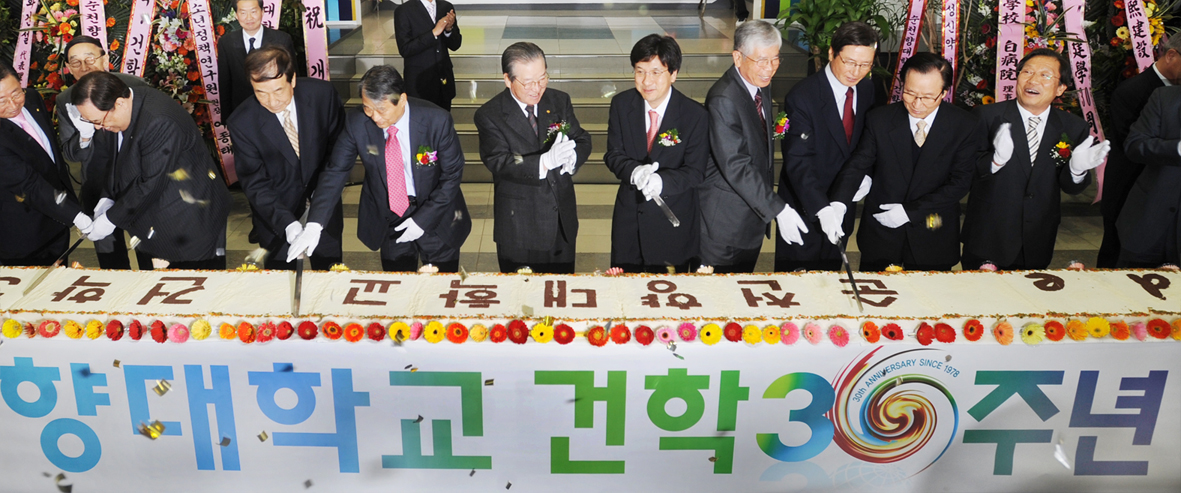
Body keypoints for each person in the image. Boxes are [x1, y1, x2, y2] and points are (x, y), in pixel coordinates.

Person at [288, 65, 471, 272]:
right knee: (397, 286)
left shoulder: (436, 120)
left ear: (402, 100)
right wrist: (315, 224)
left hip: (437, 215)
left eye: (381, 109)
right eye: (368, 108)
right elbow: (335, 172)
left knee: (442, 288)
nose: (374, 117)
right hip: (389, 215)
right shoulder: (357, 122)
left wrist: (422, 220)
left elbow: (452, 175)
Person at [821, 53, 979, 271]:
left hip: (933, 232)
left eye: (927, 97)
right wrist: (839, 202)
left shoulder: (964, 125)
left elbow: (960, 182)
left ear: (943, 93)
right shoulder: (880, 119)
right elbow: (859, 164)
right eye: (910, 93)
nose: (916, 103)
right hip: (882, 235)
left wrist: (909, 212)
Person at [961, 49, 1110, 270]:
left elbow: (1071, 188)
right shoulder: (987, 116)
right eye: (1027, 72)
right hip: (988, 235)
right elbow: (965, 171)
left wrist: (1077, 171)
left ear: (1061, 88)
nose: (1033, 80)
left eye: (1045, 75)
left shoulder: (1072, 127)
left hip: (1038, 236)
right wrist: (995, 161)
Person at [72, 72, 232, 269]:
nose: (98, 128)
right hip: (150, 221)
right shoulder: (120, 109)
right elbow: (117, 160)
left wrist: (110, 219)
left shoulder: (159, 120)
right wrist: (108, 198)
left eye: (98, 121)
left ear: (120, 103)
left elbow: (151, 183)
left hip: (186, 223)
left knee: (189, 290)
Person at [473, 42, 591, 273]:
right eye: (528, 82)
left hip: (561, 222)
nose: (536, 88)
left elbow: (582, 138)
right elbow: (500, 160)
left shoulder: (559, 101)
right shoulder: (490, 115)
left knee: (560, 293)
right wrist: (545, 162)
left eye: (542, 78)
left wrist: (573, 157)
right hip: (520, 227)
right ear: (508, 79)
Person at [699, 20, 807, 273]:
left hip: (752, 218)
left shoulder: (759, 84)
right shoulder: (723, 99)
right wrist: (778, 208)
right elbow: (736, 164)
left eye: (775, 59)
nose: (769, 69)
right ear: (738, 57)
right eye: (761, 60)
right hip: (724, 226)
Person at [227, 46, 345, 270]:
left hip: (324, 210)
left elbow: (336, 158)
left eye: (278, 91)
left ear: (292, 80)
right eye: (261, 92)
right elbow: (255, 182)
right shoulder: (242, 122)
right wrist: (287, 223)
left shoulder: (323, 96)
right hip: (276, 216)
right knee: (282, 284)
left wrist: (317, 218)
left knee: (330, 276)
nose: (272, 101)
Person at [776, 21, 877, 272]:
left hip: (843, 203)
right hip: (805, 206)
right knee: (796, 290)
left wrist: (866, 175)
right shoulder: (803, 97)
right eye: (850, 62)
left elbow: (867, 140)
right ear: (832, 53)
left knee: (831, 280)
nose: (856, 71)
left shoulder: (866, 89)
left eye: (865, 64)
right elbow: (798, 160)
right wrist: (822, 209)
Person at [603, 34, 707, 273]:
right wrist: (634, 170)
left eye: (656, 72)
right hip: (629, 224)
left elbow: (696, 171)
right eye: (640, 71)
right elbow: (613, 155)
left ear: (673, 74)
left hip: (672, 225)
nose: (646, 81)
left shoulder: (694, 115)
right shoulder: (622, 104)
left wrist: (662, 181)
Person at [56, 35, 151, 270]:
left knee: (150, 250)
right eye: (75, 62)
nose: (84, 67)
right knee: (110, 259)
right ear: (68, 67)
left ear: (105, 58)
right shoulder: (66, 100)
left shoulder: (135, 86)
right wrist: (85, 135)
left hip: (137, 180)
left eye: (90, 58)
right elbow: (71, 154)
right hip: (97, 186)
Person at [1097, 36, 1181, 268]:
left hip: (1165, 191)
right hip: (1130, 187)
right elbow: (1132, 146)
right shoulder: (1134, 90)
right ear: (1171, 55)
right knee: (1117, 258)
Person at [0, 61, 90, 266]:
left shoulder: (32, 99)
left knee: (61, 284)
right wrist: (75, 215)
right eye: (1, 101)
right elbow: (28, 184)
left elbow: (49, 156)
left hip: (57, 221)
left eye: (16, 93)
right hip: (22, 230)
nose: (13, 106)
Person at [1117, 84, 1181, 268]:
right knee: (1129, 290)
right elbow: (1135, 145)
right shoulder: (1165, 96)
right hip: (1148, 221)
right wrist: (1176, 148)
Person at [217, 0, 295, 122]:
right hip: (242, 110)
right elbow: (224, 82)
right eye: (243, 13)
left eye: (253, 11)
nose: (249, 17)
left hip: (276, 108)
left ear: (262, 11)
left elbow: (292, 77)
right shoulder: (226, 42)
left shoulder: (282, 39)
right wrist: (227, 118)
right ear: (236, 15)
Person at [394, 0, 461, 111]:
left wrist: (449, 30)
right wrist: (433, 33)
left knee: (443, 122)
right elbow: (405, 49)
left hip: (443, 81)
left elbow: (455, 45)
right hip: (419, 84)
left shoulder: (446, 6)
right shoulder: (404, 10)